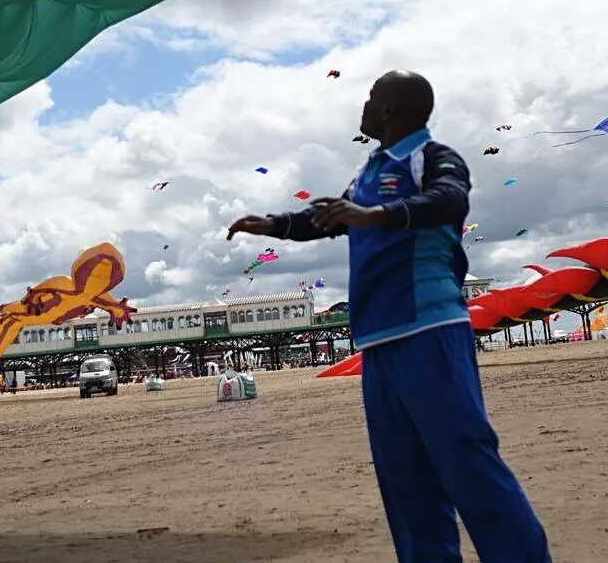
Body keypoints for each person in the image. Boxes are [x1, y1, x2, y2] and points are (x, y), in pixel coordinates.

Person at [227, 70, 549, 561]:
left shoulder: (433, 157)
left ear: (392, 108)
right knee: (405, 479)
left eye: (373, 93)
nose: (366, 101)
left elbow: (450, 199)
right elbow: (328, 217)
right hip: (378, 340)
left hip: (430, 328)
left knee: (466, 460)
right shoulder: (368, 170)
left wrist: (376, 215)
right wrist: (275, 224)